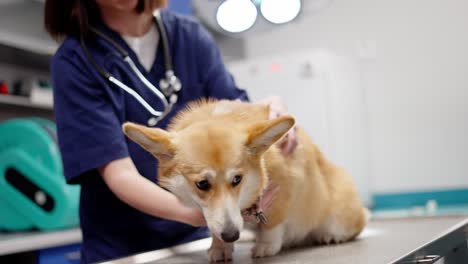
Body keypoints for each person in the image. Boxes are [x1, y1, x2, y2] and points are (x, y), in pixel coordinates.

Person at [44, 0, 297, 263]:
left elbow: (233, 118)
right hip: (121, 245)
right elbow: (120, 174)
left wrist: (271, 107)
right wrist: (205, 214)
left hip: (197, 241)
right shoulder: (75, 61)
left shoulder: (191, 37)